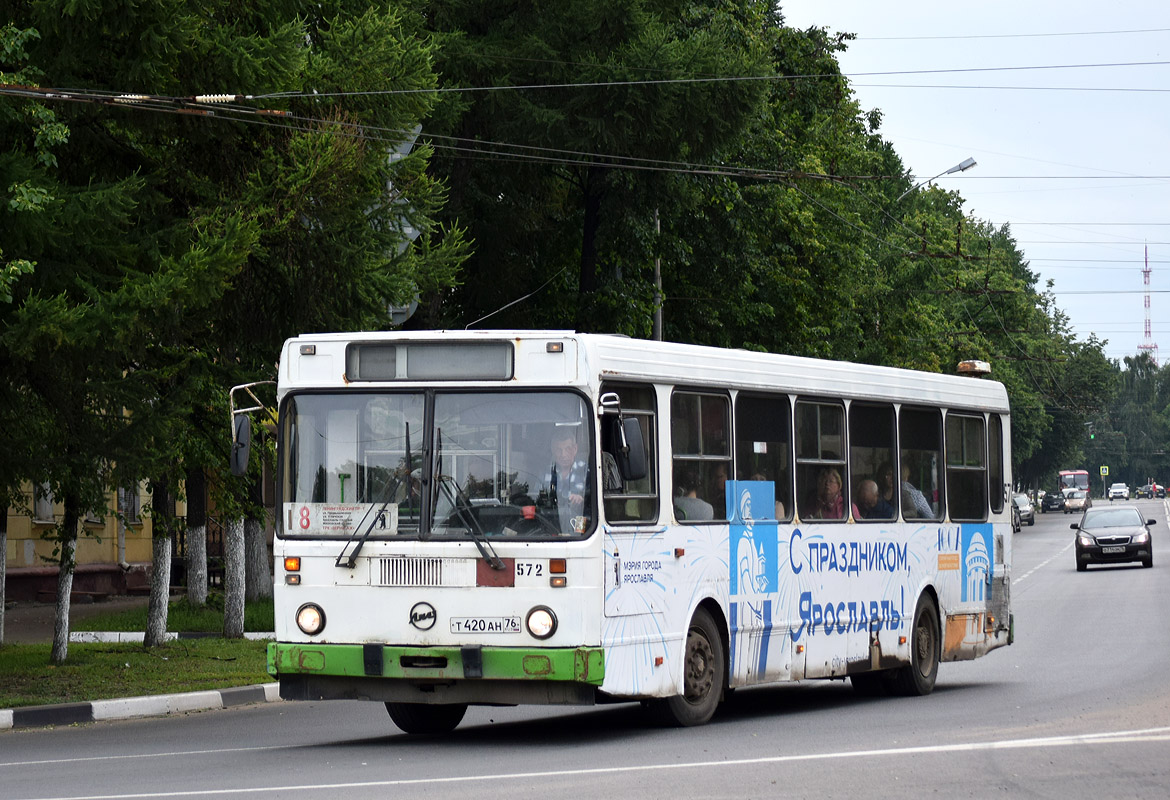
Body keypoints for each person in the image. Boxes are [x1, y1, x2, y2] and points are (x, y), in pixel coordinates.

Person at [541, 427, 588, 532]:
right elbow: (536, 497)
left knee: (578, 542)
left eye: (568, 449)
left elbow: (595, 501)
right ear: (553, 451)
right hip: (551, 524)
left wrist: (582, 498)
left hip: (582, 524)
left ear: (575, 449)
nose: (563, 455)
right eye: (559, 450)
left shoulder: (587, 471)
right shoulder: (546, 472)